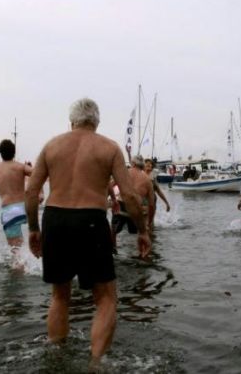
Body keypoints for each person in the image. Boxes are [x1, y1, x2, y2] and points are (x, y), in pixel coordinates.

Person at [24, 98, 150, 366]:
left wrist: (34, 228)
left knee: (59, 296)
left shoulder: (51, 146)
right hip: (91, 220)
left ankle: (56, 359)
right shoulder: (109, 147)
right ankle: (95, 364)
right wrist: (142, 231)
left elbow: (31, 192)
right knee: (105, 299)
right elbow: (128, 194)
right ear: (97, 122)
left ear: (71, 122)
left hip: (55, 218)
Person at [0, 139, 33, 248]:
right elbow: (38, 174)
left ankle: (20, 263)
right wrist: (39, 193)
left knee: (15, 251)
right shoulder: (20, 167)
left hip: (9, 210)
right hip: (25, 208)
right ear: (14, 152)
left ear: (0, 153)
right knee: (26, 243)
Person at [110, 156, 155, 237]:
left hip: (122, 205)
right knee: (142, 233)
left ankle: (113, 248)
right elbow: (152, 204)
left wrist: (113, 200)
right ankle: (142, 247)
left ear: (133, 163)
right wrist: (149, 222)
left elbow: (109, 186)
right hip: (136, 207)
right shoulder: (148, 180)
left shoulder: (124, 173)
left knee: (113, 231)